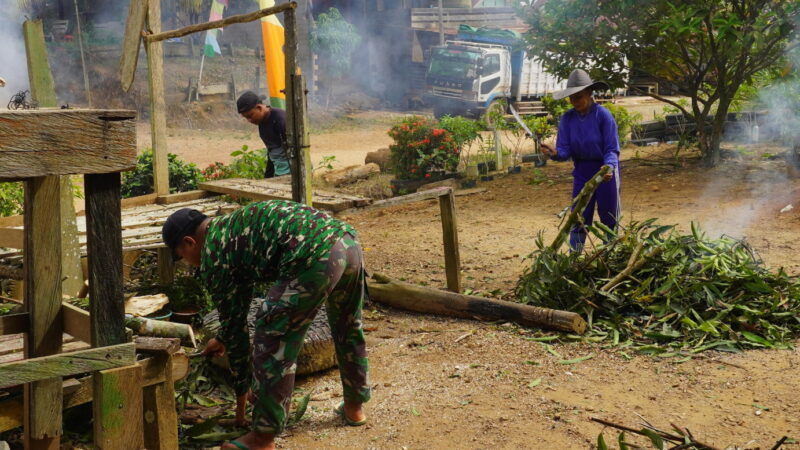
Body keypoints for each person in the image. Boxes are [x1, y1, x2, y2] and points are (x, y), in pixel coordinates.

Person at [162, 201, 371, 450]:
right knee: (347, 324)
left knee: (273, 334)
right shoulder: (230, 228)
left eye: (181, 256)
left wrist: (241, 392)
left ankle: (262, 438)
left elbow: (237, 327)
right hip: (347, 242)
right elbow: (234, 313)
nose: (186, 262)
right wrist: (222, 338)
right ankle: (354, 406)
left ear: (189, 242)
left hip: (314, 255)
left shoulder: (213, 254)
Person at [540, 69, 621, 252]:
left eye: (579, 96)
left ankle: (613, 255)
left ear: (590, 93)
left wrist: (608, 168)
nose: (575, 101)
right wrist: (553, 152)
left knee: (609, 216)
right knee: (579, 217)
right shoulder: (567, 119)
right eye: (572, 97)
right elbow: (565, 150)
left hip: (604, 171)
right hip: (582, 171)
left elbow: (611, 149)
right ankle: (574, 259)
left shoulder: (603, 116)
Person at [237, 91, 290, 178]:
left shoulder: (281, 120)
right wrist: (268, 178)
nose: (249, 120)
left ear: (259, 108)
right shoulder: (262, 122)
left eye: (250, 116)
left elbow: (297, 151)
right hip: (280, 173)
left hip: (293, 174)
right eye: (246, 118)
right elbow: (272, 153)